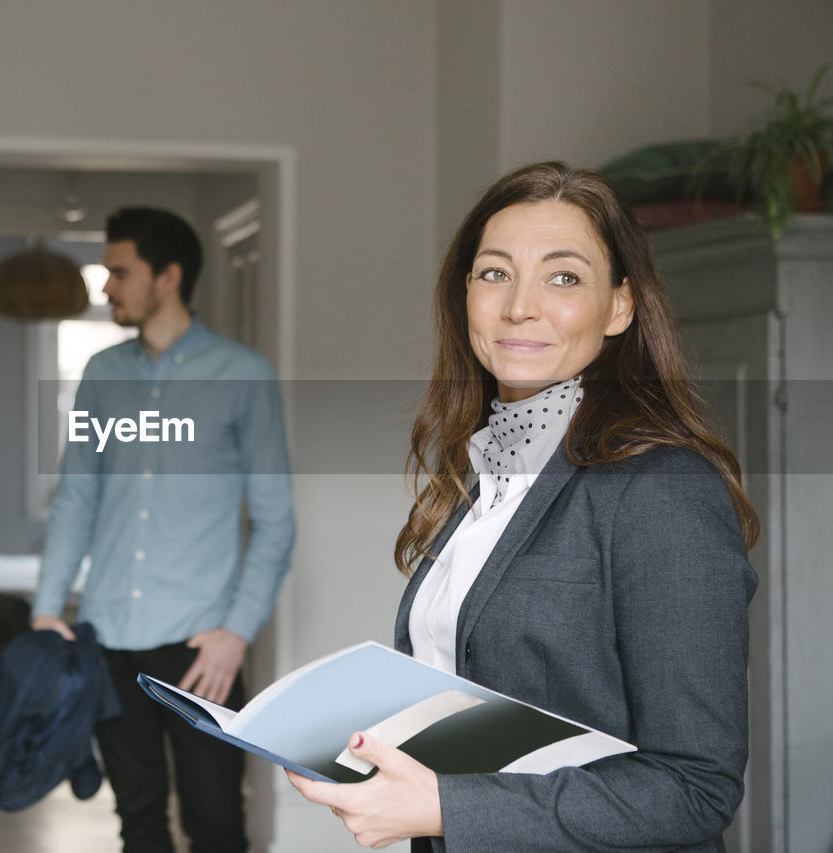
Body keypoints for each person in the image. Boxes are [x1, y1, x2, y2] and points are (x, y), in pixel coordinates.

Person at [288, 162, 759, 852]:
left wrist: (449, 805)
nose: (519, 307)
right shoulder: (485, 470)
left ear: (620, 306)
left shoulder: (661, 488)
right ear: (465, 294)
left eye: (564, 277)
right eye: (495, 273)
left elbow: (695, 786)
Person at [32, 207, 296, 852]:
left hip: (201, 650)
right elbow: (76, 500)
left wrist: (236, 634)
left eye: (119, 272)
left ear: (169, 276)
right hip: (109, 640)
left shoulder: (243, 376)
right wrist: (45, 611)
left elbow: (276, 521)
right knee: (139, 822)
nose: (107, 287)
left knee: (214, 823)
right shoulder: (102, 375)